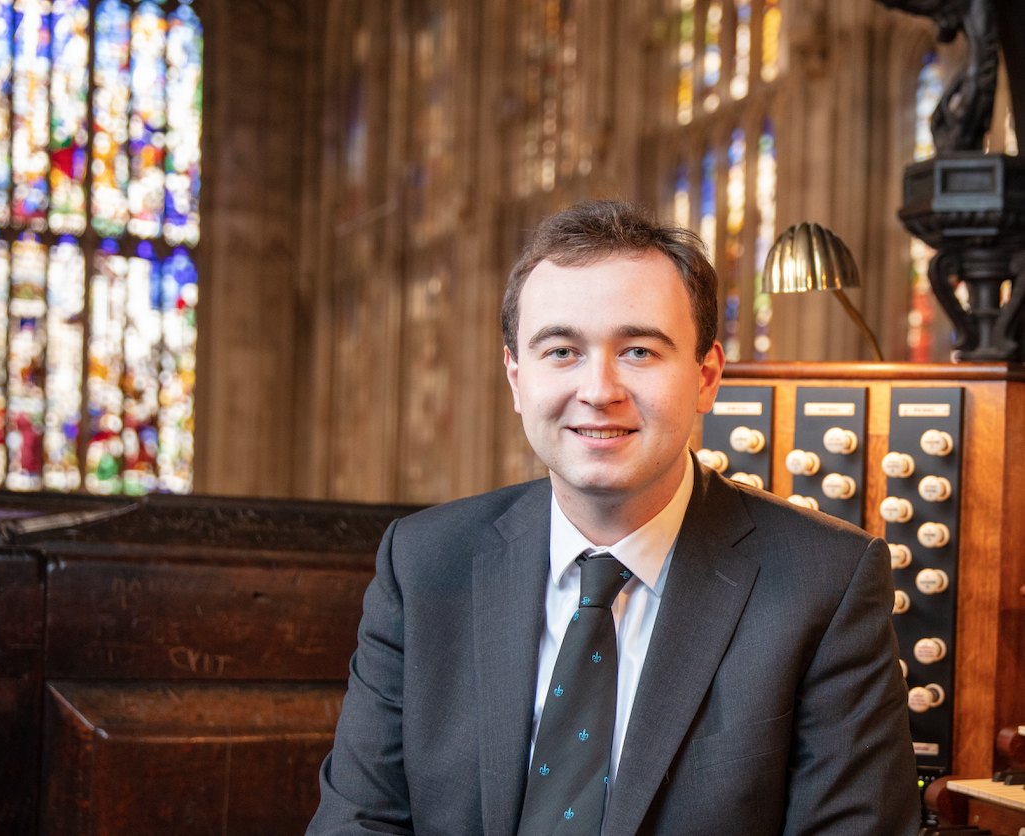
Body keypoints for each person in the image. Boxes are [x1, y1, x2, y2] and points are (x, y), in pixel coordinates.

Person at [307, 200, 920, 836]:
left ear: (706, 376)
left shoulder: (826, 583)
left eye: (638, 352)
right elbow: (359, 821)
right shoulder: (423, 562)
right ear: (517, 378)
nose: (599, 390)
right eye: (562, 351)